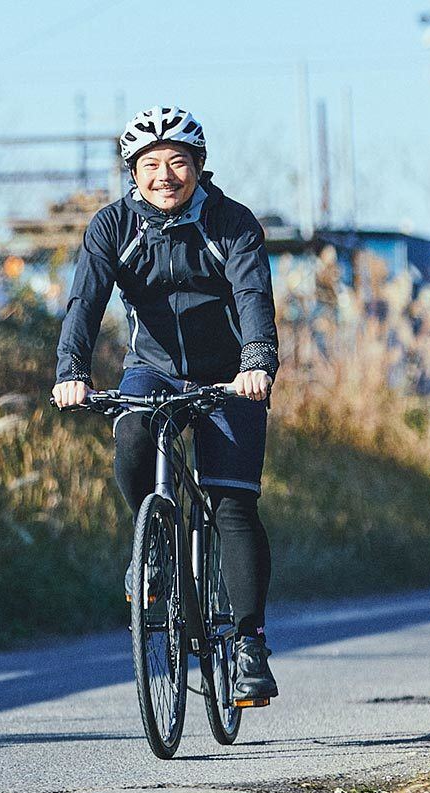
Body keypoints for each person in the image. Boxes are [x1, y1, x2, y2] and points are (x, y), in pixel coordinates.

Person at [51, 105, 280, 702]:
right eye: (150, 164)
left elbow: (253, 294)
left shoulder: (232, 223)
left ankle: (250, 642)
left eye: (177, 162)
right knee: (130, 439)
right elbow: (85, 302)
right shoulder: (112, 226)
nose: (164, 175)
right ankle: (154, 552)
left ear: (199, 167)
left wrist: (256, 362)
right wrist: (71, 370)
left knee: (232, 504)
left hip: (230, 376)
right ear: (132, 171)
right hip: (151, 369)